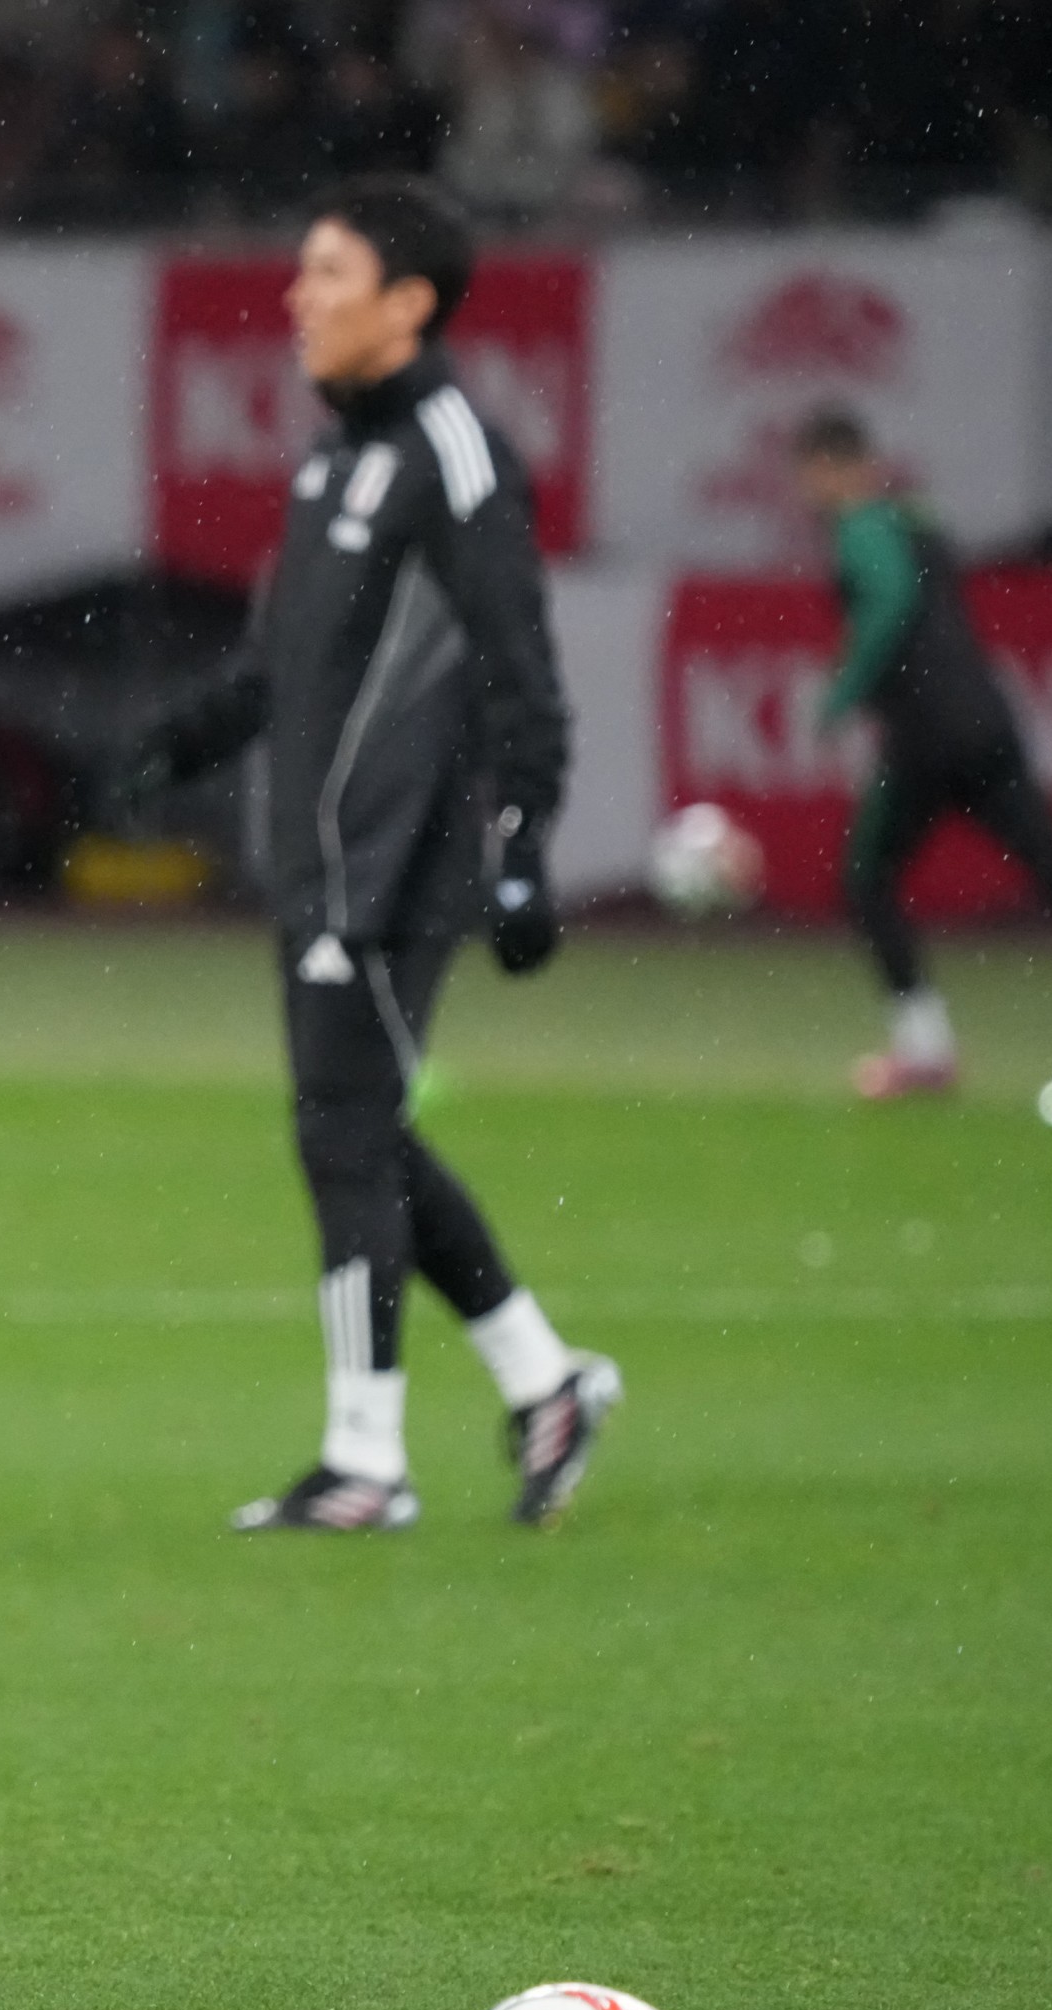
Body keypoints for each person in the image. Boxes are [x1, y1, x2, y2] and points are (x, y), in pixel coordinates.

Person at [130, 174, 617, 1534]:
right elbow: (282, 666)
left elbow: (525, 676)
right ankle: (543, 1378)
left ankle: (365, 1457)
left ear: (406, 303)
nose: (297, 296)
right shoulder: (330, 456)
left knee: (340, 1130)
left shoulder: (458, 458)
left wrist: (522, 846)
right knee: (359, 1129)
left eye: (327, 274)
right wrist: (179, 741)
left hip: (398, 862)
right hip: (319, 859)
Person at [792, 407, 1052, 1097]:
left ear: (830, 466)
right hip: (986, 720)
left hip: (926, 735)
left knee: (869, 878)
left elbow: (891, 598)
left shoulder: (862, 526)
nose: (806, 492)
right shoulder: (914, 519)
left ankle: (924, 1049)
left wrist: (842, 693)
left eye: (809, 475)